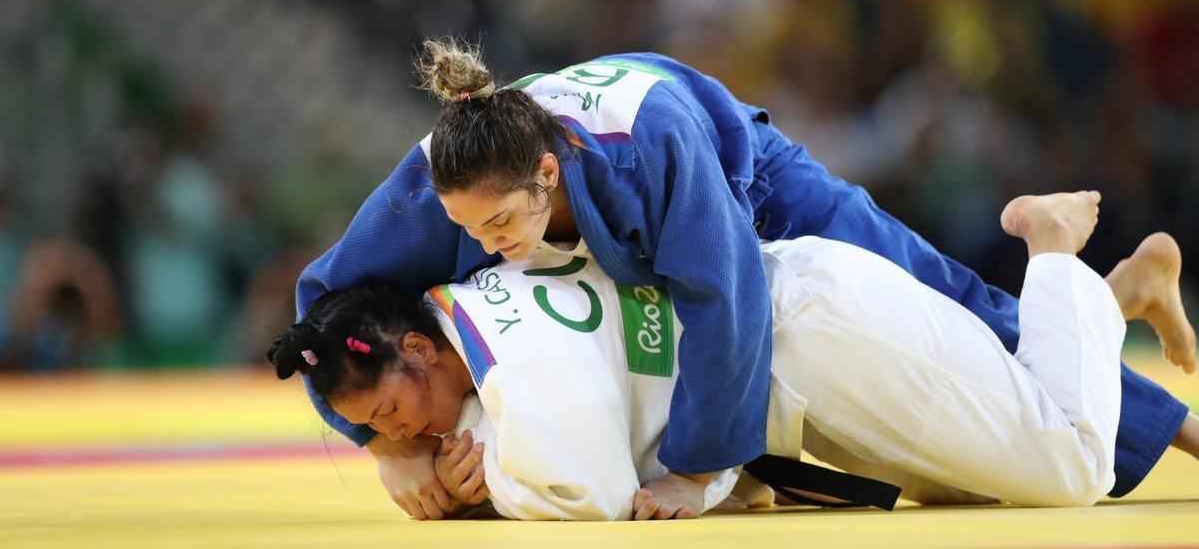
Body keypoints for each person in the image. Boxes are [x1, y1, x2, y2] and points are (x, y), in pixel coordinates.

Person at [295, 39, 1198, 518]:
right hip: (690, 244)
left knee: (956, 306)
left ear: (548, 176)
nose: (485, 251)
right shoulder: (440, 184)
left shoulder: (647, 155)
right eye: (466, 233)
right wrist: (385, 444)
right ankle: (1116, 296)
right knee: (966, 398)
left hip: (758, 188)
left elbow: (728, 299)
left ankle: (1184, 423)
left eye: (497, 228)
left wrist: (694, 469)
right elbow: (319, 319)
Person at [273, 192, 1194, 520]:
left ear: (422, 353)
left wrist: (486, 487)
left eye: (395, 418)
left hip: (819, 337)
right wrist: (458, 449)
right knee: (981, 482)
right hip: (798, 373)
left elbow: (586, 489)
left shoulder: (514, 351)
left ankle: (1053, 249)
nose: (412, 438)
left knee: (1071, 462)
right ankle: (1123, 298)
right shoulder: (472, 321)